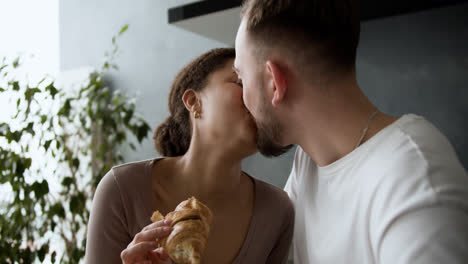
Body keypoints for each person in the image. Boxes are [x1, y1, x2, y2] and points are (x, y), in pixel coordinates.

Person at [234, 0, 468, 263]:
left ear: (273, 83)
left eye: (241, 80)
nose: (240, 98)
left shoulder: (416, 181)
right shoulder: (308, 163)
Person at [85, 48, 294, 264]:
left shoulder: (277, 212)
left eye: (265, 89)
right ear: (194, 102)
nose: (256, 97)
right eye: (241, 82)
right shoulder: (122, 190)